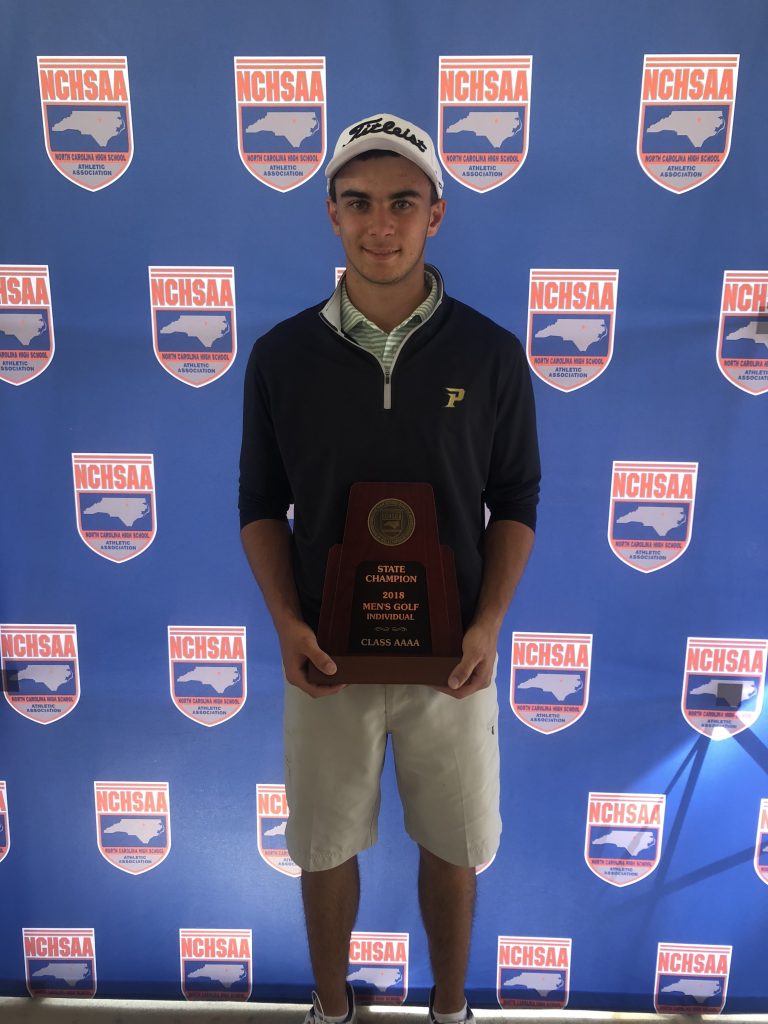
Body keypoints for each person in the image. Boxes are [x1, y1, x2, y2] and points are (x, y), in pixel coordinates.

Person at [239, 113, 540, 1024]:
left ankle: (450, 1010)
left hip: (454, 660)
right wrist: (288, 626)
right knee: (323, 846)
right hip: (325, 658)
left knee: (454, 842)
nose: (381, 225)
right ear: (331, 213)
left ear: (436, 215)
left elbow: (516, 499)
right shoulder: (281, 355)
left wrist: (487, 625)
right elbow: (260, 504)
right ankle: (332, 1010)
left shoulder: (491, 352)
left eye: (403, 203)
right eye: (360, 203)